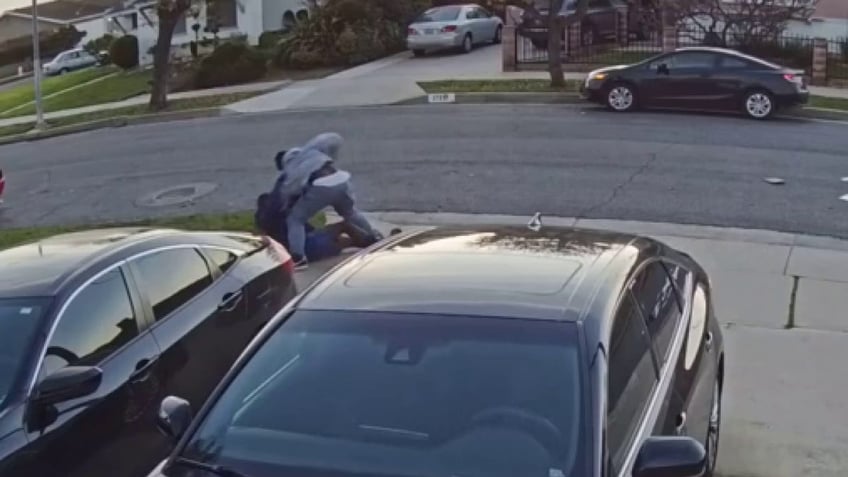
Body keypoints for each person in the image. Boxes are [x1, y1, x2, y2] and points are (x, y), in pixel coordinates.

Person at [276, 132, 380, 270]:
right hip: (342, 180)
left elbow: (291, 190)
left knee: (295, 219)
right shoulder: (313, 154)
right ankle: (374, 237)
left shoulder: (294, 169)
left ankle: (298, 258)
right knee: (351, 213)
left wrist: (288, 202)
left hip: (322, 187)